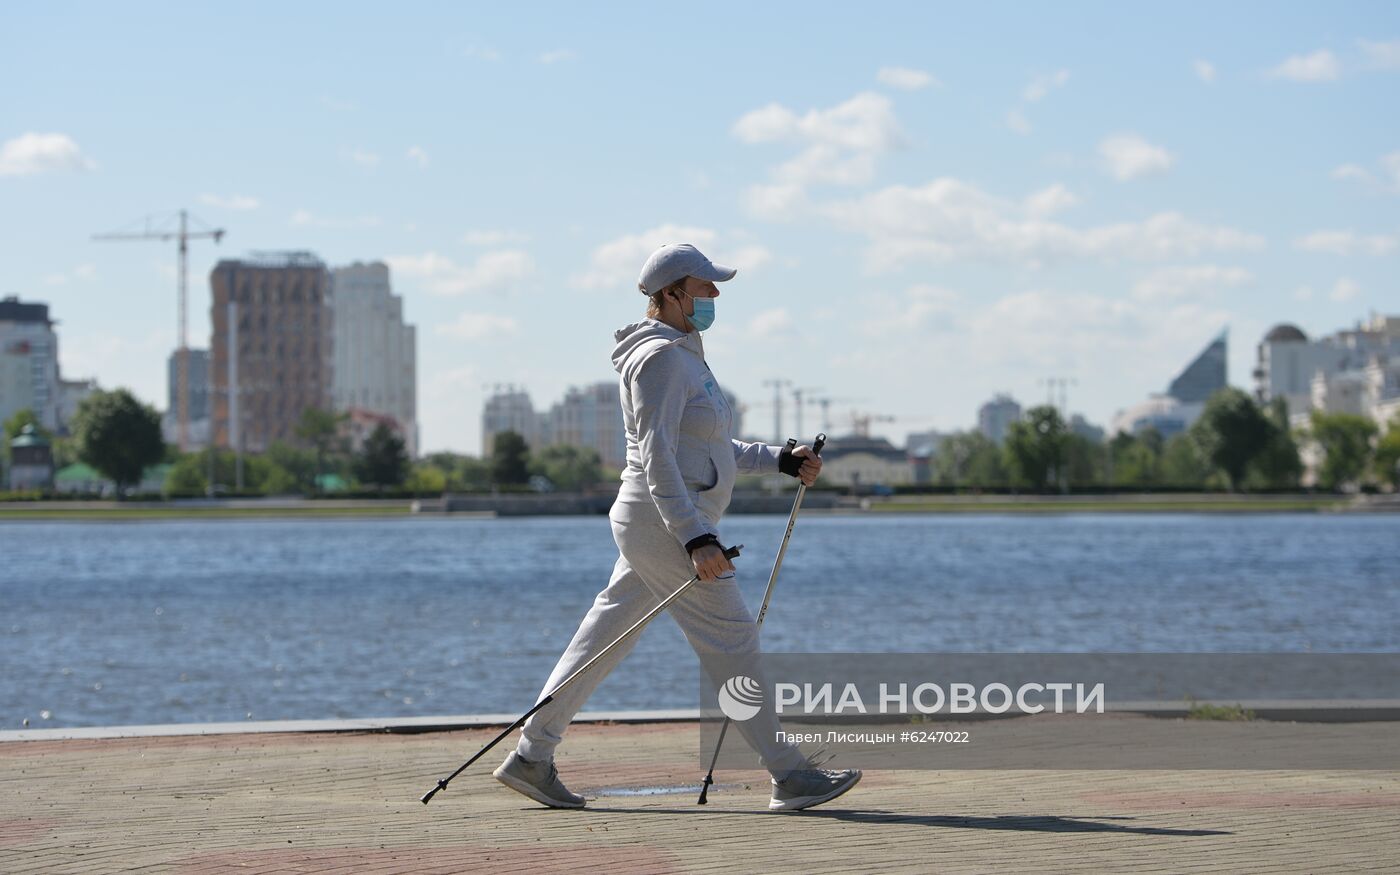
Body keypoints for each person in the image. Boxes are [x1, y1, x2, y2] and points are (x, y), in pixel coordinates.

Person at [493, 242, 861, 812]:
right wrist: (695, 537)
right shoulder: (661, 360)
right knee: (732, 638)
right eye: (704, 286)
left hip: (656, 523)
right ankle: (789, 776)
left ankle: (531, 757)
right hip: (667, 524)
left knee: (602, 639)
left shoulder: (684, 353)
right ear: (670, 294)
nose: (715, 295)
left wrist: (779, 459)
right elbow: (660, 456)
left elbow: (710, 446)